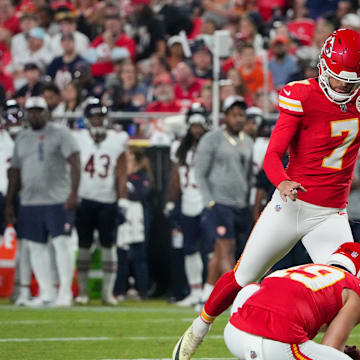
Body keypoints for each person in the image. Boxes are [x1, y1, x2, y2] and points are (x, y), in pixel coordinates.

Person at [172, 28, 360, 360]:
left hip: (331, 214)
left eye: (351, 82)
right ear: (323, 66)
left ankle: (327, 351)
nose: (344, 88)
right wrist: (282, 181)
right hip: (291, 205)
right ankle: (197, 330)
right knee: (244, 274)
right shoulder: (301, 94)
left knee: (348, 293)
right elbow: (272, 154)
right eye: (339, 79)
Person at [224, 242, 360, 359]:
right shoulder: (353, 287)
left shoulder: (300, 270)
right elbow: (331, 347)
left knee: (252, 289)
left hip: (235, 336)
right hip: (277, 345)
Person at [5, 96, 80, 307]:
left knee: (61, 244)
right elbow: (15, 173)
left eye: (39, 110)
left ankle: (65, 292)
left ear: (47, 112)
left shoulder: (61, 134)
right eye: (31, 111)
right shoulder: (22, 138)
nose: (35, 114)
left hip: (58, 199)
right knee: (36, 247)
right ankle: (46, 292)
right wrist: (10, 202)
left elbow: (75, 162)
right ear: (27, 114)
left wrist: (73, 193)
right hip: (30, 201)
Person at [194, 95, 253, 310]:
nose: (239, 119)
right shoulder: (212, 139)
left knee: (223, 251)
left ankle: (205, 295)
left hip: (239, 203)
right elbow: (200, 172)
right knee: (226, 249)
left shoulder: (248, 141)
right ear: (225, 116)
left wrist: (246, 199)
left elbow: (247, 175)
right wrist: (209, 201)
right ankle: (235, 300)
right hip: (219, 202)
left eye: (242, 115)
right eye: (235, 114)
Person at [72, 98, 128, 305]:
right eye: (94, 117)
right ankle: (83, 292)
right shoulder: (78, 138)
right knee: (84, 245)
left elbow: (122, 171)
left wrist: (122, 199)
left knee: (108, 245)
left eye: (100, 116)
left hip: (108, 200)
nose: (97, 120)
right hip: (84, 199)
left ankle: (107, 292)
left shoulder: (117, 139)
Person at [165, 103, 210, 306]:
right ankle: (195, 291)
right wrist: (170, 200)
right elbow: (175, 177)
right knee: (189, 249)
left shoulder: (211, 144)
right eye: (193, 124)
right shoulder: (179, 147)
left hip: (208, 201)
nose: (196, 128)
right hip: (188, 202)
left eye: (200, 124)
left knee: (210, 249)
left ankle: (209, 293)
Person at [115, 146, 152, 301]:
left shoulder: (142, 176)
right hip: (121, 214)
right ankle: (118, 290)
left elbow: (140, 194)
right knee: (120, 254)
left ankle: (142, 290)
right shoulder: (119, 175)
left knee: (139, 255)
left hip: (136, 216)